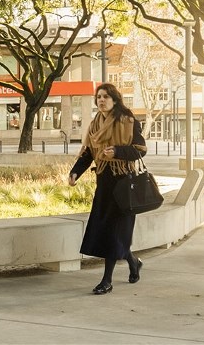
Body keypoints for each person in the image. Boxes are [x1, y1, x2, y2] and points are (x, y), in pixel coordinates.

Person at [68, 82, 147, 295]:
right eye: (98, 97)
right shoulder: (95, 124)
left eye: (105, 96)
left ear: (115, 99)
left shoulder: (128, 120)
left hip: (124, 183)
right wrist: (75, 172)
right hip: (104, 183)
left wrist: (118, 152)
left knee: (114, 233)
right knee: (109, 232)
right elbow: (88, 153)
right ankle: (133, 262)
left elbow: (140, 150)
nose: (101, 100)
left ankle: (107, 280)